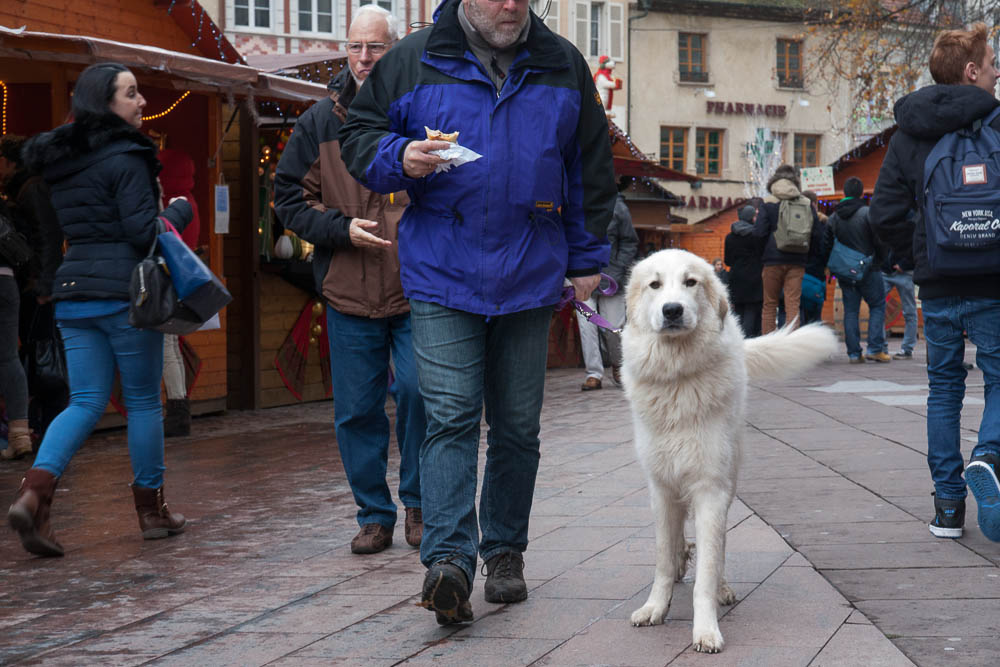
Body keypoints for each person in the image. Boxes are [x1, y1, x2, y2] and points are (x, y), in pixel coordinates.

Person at [339, 0, 615, 624]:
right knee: (451, 414)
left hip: (530, 269)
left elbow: (590, 169)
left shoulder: (562, 64)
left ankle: (505, 551)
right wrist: (399, 157)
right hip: (442, 269)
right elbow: (358, 136)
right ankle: (449, 562)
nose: (511, 5)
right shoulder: (413, 58)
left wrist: (587, 257)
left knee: (517, 424)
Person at [7, 63, 193, 557]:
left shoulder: (60, 161)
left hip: (73, 290)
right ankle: (152, 511)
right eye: (131, 94)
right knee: (142, 402)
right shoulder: (130, 155)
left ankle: (34, 492)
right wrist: (177, 210)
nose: (141, 102)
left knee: (85, 402)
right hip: (125, 294)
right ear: (105, 102)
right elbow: (140, 231)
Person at [274, 6, 425, 556]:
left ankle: (419, 504)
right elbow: (288, 198)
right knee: (357, 410)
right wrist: (339, 229)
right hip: (347, 290)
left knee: (418, 394)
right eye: (357, 47)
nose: (364, 58)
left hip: (416, 289)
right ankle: (373, 513)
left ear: (394, 49)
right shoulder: (319, 121)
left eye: (376, 47)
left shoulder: (417, 108)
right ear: (346, 49)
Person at [869, 22, 1000, 541]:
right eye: (992, 64)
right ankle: (988, 454)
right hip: (995, 284)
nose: (997, 71)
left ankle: (948, 508)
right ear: (971, 72)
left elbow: (884, 215)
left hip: (939, 287)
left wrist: (921, 257)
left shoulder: (909, 132)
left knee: (943, 391)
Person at [0, 136, 65, 451]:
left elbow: (47, 237)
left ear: (10, 161)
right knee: (27, 355)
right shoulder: (24, 190)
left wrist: (44, 284)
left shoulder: (31, 189)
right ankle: (34, 429)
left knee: (40, 355)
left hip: (35, 285)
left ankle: (50, 427)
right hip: (22, 282)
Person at [157, 148, 202, 437]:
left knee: (165, 347)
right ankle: (178, 409)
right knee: (170, 346)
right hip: (177, 281)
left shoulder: (168, 203)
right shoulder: (189, 201)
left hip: (163, 279)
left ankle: (175, 410)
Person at [577, 185, 638, 391]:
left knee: (613, 328)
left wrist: (618, 271)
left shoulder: (618, 207)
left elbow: (630, 242)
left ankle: (619, 366)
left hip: (612, 278)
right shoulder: (575, 204)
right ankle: (593, 373)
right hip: (581, 276)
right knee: (587, 329)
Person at [753, 164, 824, 334]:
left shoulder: (768, 203)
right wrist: (808, 255)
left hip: (772, 261)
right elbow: (817, 235)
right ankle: (793, 346)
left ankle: (769, 347)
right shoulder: (806, 203)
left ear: (774, 181)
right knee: (793, 304)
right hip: (797, 260)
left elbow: (759, 233)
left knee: (769, 304)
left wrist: (763, 254)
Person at [825, 177, 889, 363]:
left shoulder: (833, 217)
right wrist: (879, 260)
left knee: (850, 311)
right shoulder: (868, 213)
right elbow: (880, 241)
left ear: (844, 193)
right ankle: (875, 348)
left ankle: (854, 353)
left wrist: (831, 266)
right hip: (870, 268)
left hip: (845, 271)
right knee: (877, 306)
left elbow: (826, 244)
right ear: (861, 193)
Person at [880, 210, 918, 360]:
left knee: (881, 309)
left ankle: (901, 348)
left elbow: (916, 244)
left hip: (897, 269)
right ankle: (904, 348)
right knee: (909, 311)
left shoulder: (891, 215)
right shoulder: (910, 216)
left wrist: (905, 263)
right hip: (896, 269)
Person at [724, 204, 764, 337]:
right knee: (752, 312)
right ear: (751, 218)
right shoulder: (757, 236)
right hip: (755, 278)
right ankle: (749, 342)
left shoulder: (730, 237)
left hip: (736, 278)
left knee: (739, 313)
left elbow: (727, 261)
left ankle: (739, 340)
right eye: (755, 216)